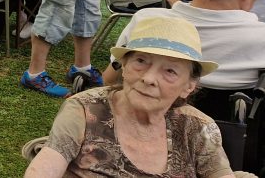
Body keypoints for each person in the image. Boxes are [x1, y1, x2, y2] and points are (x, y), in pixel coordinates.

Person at [25, 17, 234, 178]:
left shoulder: (198, 127)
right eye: (141, 61)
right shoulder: (85, 110)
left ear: (188, 86)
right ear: (124, 66)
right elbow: (44, 169)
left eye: (170, 71)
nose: (149, 78)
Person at [101, 0, 265, 118]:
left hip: (139, 129)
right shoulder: (260, 39)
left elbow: (108, 82)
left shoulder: (146, 21)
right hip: (230, 140)